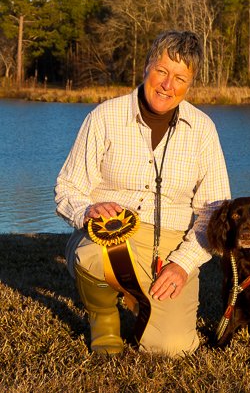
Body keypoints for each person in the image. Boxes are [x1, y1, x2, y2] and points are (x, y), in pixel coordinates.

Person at [55, 30, 230, 356]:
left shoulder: (204, 129)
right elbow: (68, 187)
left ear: (190, 84)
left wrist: (182, 263)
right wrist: (87, 211)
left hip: (172, 245)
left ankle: (141, 301)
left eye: (180, 78)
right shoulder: (104, 116)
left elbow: (214, 211)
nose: (168, 85)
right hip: (110, 237)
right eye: (162, 71)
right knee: (91, 256)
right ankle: (104, 317)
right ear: (147, 66)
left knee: (171, 348)